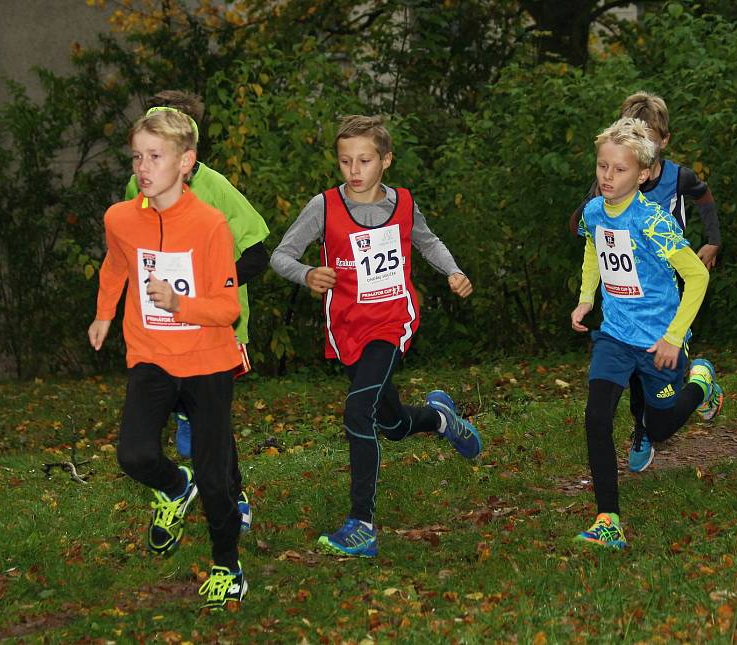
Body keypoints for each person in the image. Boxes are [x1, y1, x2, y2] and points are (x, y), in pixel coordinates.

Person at [270, 114, 482, 557]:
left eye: (364, 160)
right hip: (348, 326)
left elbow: (429, 242)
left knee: (357, 411)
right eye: (345, 161)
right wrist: (307, 273)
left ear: (385, 160)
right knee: (394, 424)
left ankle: (361, 525)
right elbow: (281, 256)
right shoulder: (324, 206)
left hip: (392, 320)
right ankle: (441, 419)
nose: (354, 170)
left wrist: (455, 271)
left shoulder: (403, 204)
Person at [89, 109, 248, 609]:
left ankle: (228, 566)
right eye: (137, 156)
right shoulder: (120, 217)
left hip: (207, 362)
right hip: (152, 356)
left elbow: (226, 308)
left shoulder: (209, 225)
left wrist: (180, 304)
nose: (143, 166)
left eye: (154, 156)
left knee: (216, 476)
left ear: (185, 162)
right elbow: (116, 265)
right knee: (133, 454)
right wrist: (104, 315)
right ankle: (176, 487)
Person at [570, 117, 724, 549]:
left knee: (659, 427)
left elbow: (696, 277)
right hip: (615, 335)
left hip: (660, 340)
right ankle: (608, 520)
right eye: (602, 166)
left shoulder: (653, 221)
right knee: (597, 417)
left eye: (619, 170)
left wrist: (675, 338)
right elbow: (592, 248)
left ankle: (701, 382)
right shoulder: (594, 211)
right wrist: (587, 297)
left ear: (642, 174)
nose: (608, 177)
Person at [125, 91, 270, 530]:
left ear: (188, 151)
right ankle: (179, 472)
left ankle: (234, 497)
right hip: (162, 326)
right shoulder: (138, 186)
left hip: (215, 325)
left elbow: (258, 254)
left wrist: (207, 291)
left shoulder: (216, 188)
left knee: (213, 420)